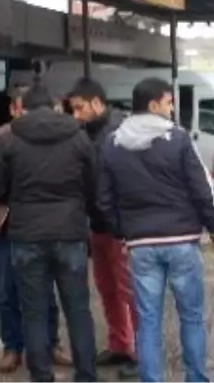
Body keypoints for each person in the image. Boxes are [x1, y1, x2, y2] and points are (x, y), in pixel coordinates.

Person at [97, 77, 214, 383]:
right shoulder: (179, 139)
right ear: (154, 104)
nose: (172, 109)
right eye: (169, 103)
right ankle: (196, 378)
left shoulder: (113, 143)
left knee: (149, 320)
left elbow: (103, 200)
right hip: (182, 242)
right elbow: (201, 189)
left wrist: (124, 233)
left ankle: (151, 380)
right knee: (192, 316)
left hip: (141, 245)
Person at [0, 86, 100, 383]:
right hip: (70, 233)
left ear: (23, 107)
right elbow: (94, 186)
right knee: (78, 309)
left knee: (33, 311)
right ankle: (86, 375)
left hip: (27, 236)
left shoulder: (9, 140)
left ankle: (41, 376)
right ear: (53, 107)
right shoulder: (78, 137)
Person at [0, 86, 70, 374]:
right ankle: (12, 347)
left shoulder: (54, 138)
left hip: (42, 226)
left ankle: (50, 344)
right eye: (23, 109)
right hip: (8, 226)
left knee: (46, 289)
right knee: (8, 290)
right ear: (14, 110)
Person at [67, 78, 138, 377]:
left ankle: (142, 354)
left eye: (80, 108)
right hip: (97, 227)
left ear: (97, 103)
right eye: (73, 109)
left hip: (121, 228)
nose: (76, 115)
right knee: (108, 290)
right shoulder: (86, 134)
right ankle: (121, 344)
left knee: (131, 293)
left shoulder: (121, 135)